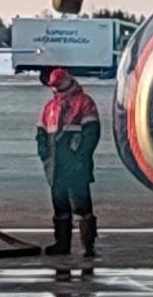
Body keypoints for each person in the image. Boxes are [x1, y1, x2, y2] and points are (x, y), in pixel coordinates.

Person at [34, 66, 102, 262]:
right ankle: (62, 244)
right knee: (60, 206)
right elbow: (41, 133)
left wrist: (80, 155)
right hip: (56, 165)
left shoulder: (84, 103)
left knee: (81, 206)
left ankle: (87, 243)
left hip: (74, 165)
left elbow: (92, 133)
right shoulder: (51, 107)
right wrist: (44, 153)